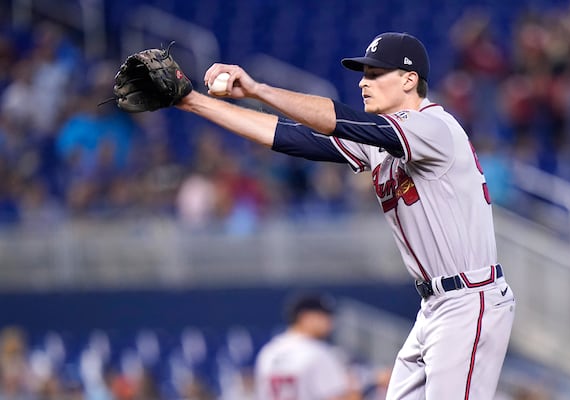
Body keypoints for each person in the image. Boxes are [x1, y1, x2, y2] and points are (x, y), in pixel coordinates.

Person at [124, 31, 516, 399]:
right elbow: (294, 138)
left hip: (469, 299)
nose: (364, 82)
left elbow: (341, 119)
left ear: (410, 80)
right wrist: (193, 101)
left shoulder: (433, 127)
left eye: (376, 74)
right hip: (435, 306)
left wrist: (258, 89)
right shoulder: (382, 141)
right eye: (364, 74)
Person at [254, 293, 362, 400]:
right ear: (305, 317)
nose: (330, 323)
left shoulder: (269, 352)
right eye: (324, 317)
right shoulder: (318, 352)